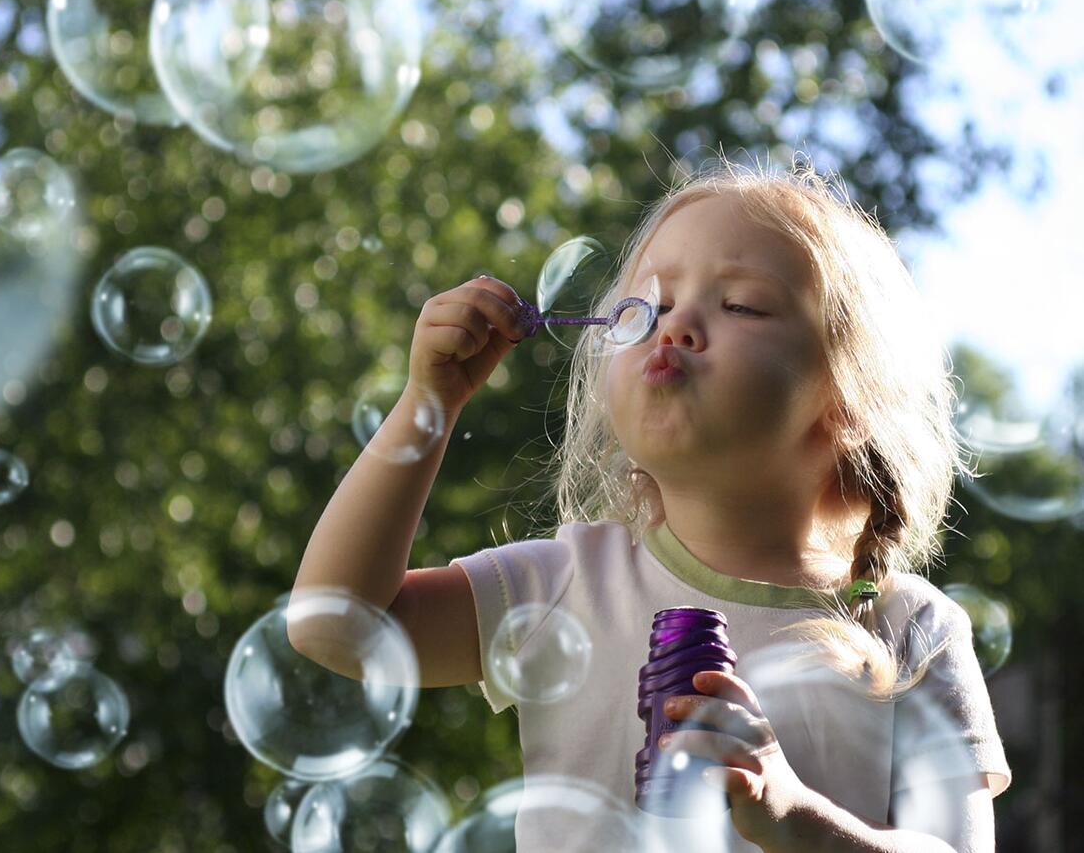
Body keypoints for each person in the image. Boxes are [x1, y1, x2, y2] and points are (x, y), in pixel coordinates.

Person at [291, 155, 1011, 852]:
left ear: (846, 403)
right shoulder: (565, 584)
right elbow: (338, 626)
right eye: (651, 304)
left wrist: (799, 819)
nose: (673, 326)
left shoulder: (910, 633)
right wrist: (427, 406)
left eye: (740, 305)